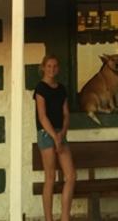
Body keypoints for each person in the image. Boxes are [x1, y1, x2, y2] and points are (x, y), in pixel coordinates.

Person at [33, 54, 76, 221]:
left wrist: (62, 133)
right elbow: (42, 117)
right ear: (43, 67)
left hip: (60, 133)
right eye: (49, 66)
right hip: (46, 134)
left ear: (58, 69)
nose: (52, 69)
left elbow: (66, 114)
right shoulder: (40, 88)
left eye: (55, 66)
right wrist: (55, 137)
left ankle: (65, 217)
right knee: (50, 177)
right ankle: (48, 219)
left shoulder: (61, 89)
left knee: (71, 176)